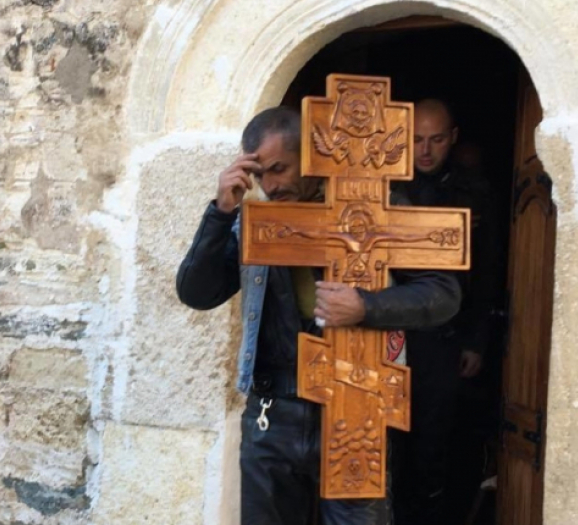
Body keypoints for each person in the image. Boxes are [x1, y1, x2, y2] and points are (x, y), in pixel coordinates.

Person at [175, 107, 462, 525]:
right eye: (261, 175)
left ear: (311, 157)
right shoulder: (257, 220)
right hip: (274, 409)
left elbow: (443, 294)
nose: (271, 185)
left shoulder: (375, 209)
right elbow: (197, 293)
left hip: (357, 403)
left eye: (280, 169)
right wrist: (221, 212)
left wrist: (366, 306)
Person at [390, 99, 501, 525]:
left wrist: (477, 341)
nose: (425, 150)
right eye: (416, 139)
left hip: (445, 337)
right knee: (387, 442)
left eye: (436, 139)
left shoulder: (474, 192)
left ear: (452, 138)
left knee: (432, 444)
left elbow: (487, 271)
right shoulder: (385, 186)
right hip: (390, 331)